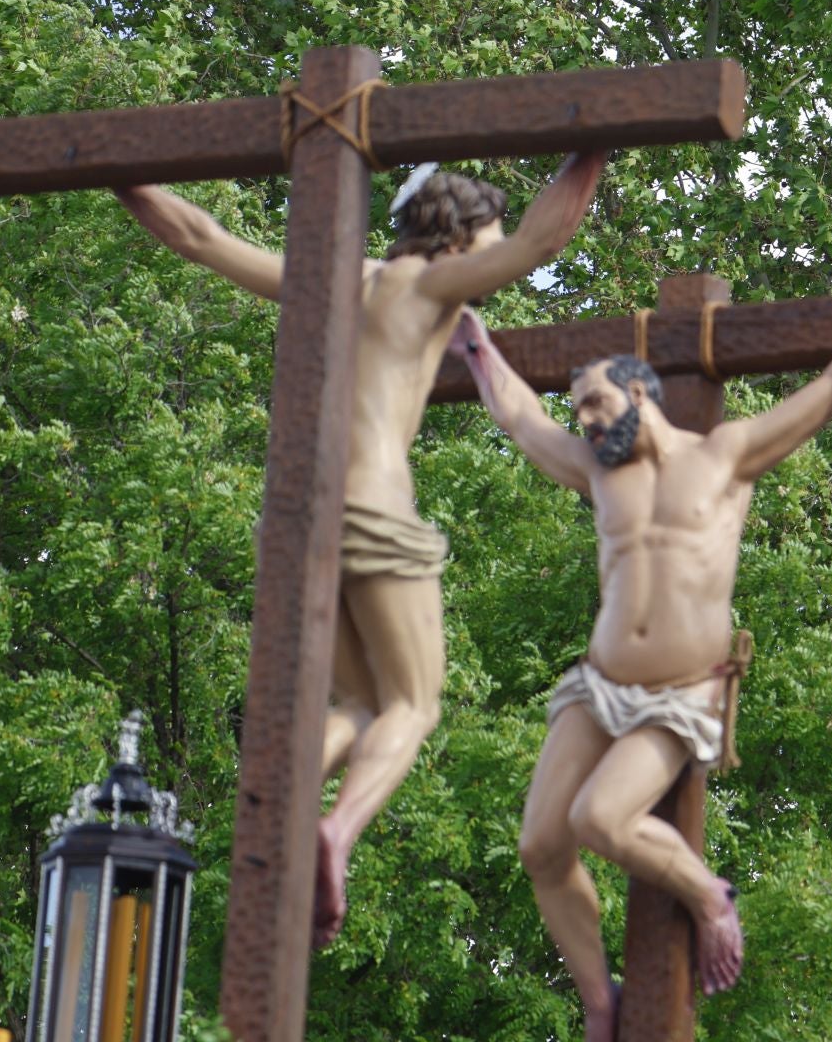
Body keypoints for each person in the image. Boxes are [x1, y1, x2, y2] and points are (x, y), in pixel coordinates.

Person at [451, 268, 832, 1040]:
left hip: (679, 692)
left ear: (640, 392)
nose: (584, 419)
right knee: (540, 845)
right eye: (579, 408)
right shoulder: (599, 472)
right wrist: (477, 347)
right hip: (598, 685)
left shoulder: (724, 455)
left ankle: (709, 897)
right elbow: (521, 418)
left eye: (595, 402)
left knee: (601, 818)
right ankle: (599, 1001)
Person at [113, 151, 607, 947]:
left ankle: (283, 809)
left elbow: (198, 236)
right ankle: (337, 833)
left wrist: (120, 172)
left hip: (295, 514)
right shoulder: (432, 284)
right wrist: (596, 149)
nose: (495, 250)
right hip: (374, 503)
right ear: (456, 236)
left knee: (360, 705)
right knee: (415, 703)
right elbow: (542, 243)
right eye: (489, 233)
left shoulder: (338, 280)